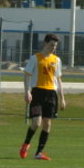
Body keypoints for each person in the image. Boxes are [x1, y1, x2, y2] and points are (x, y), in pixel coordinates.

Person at [19, 33, 66, 161]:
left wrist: (62, 98)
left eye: (55, 46)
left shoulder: (57, 60)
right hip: (38, 93)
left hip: (51, 94)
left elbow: (58, 80)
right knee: (36, 123)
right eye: (51, 45)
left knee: (47, 124)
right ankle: (26, 144)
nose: (53, 48)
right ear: (45, 43)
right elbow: (27, 75)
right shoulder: (35, 58)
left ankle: (39, 153)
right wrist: (27, 92)